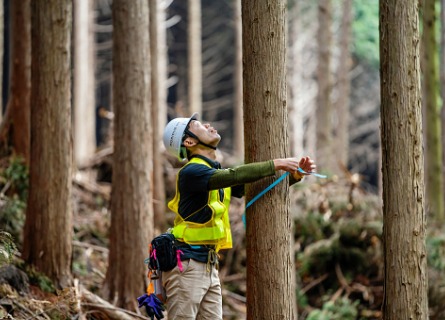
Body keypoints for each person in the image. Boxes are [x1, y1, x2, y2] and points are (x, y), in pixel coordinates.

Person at [161, 113, 316, 319]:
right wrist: (276, 163)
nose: (208, 124)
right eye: (198, 125)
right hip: (187, 266)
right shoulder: (192, 173)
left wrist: (294, 176)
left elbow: (247, 187)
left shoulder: (211, 173)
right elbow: (234, 175)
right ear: (189, 141)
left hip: (208, 266)